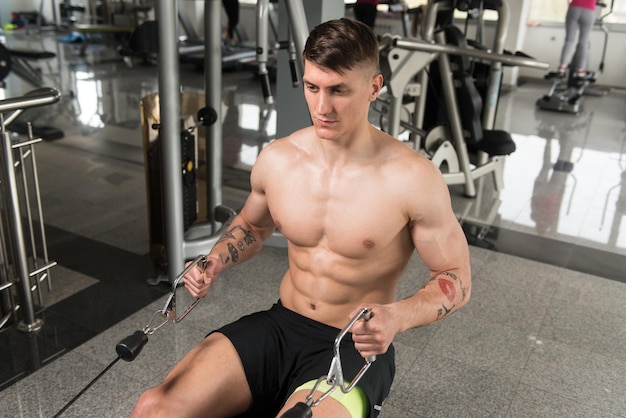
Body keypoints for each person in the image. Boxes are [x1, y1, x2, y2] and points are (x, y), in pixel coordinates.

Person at [131, 17, 471, 418]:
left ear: (374, 88)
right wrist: (216, 258)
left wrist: (397, 316)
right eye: (313, 87)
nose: (322, 107)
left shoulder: (413, 177)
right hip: (281, 325)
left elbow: (456, 277)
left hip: (354, 345)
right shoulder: (279, 159)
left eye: (339, 91)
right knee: (154, 409)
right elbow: (253, 227)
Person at [557, 0, 597, 79]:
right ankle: (580, 70)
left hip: (574, 8)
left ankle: (562, 67)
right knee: (584, 42)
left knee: (569, 40)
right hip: (589, 10)